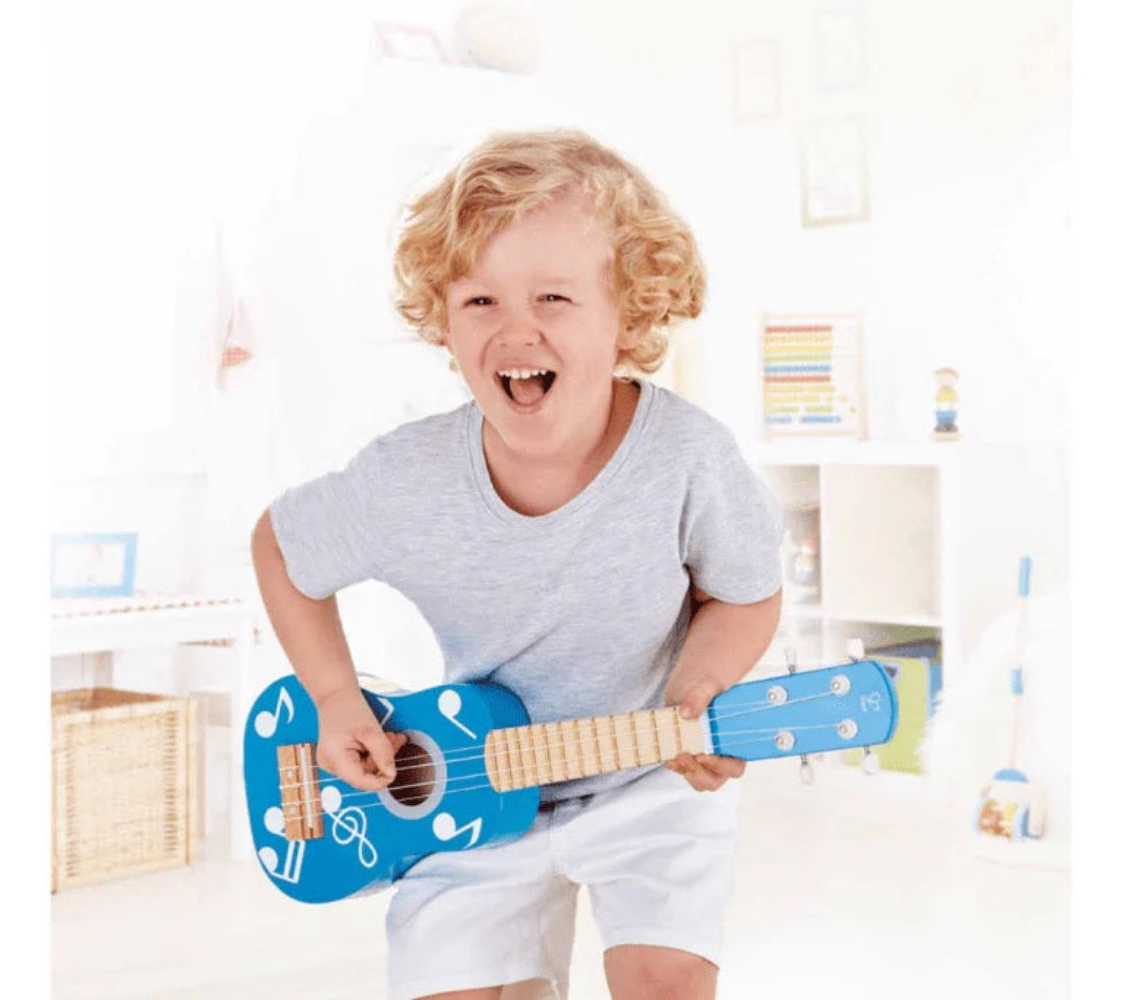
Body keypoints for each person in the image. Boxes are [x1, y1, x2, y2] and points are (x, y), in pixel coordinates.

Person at [251, 128, 784, 1000]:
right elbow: (281, 545)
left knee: (665, 982)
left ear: (630, 313)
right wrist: (335, 698)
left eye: (554, 298)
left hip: (650, 774)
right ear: (443, 318)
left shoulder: (690, 458)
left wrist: (702, 683)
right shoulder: (408, 476)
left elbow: (747, 594)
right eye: (480, 301)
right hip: (472, 789)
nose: (515, 329)